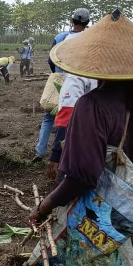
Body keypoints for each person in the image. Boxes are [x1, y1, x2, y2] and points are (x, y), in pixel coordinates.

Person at [27, 9, 133, 266]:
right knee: (113, 265)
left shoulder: (92, 104)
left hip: (91, 204)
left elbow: (84, 175)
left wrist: (45, 206)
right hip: (120, 208)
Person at [33, 8, 90, 163]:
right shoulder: (90, 38)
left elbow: (51, 60)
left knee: (49, 117)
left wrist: (56, 74)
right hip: (80, 84)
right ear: (88, 23)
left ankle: (40, 151)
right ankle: (72, 153)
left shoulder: (60, 37)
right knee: (77, 119)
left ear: (72, 21)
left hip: (60, 80)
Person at [47, 27, 97, 180]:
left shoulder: (75, 76)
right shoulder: (100, 70)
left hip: (84, 138)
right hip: (104, 137)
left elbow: (66, 118)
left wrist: (55, 155)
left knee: (69, 180)